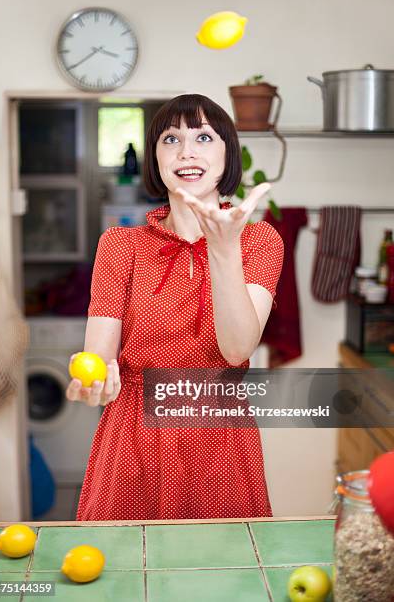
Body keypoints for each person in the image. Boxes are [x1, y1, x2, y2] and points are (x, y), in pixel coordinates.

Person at [66, 93, 284, 521]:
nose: (186, 151)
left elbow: (238, 350)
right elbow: (99, 358)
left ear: (228, 155)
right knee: (125, 581)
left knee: (223, 581)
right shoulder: (120, 244)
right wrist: (95, 381)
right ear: (156, 158)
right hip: (133, 439)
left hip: (220, 444)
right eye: (170, 139)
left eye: (204, 137)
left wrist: (223, 251)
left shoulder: (258, 242)